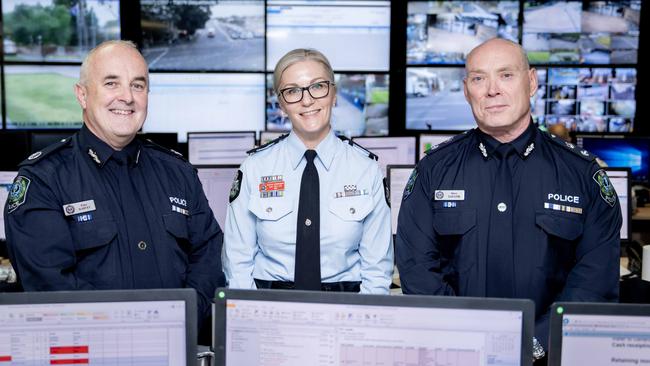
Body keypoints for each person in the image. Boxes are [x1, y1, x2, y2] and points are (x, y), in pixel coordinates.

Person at [395, 38, 621, 361]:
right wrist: (465, 340)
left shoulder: (582, 175)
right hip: (457, 356)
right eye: (478, 78)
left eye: (506, 75)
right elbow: (417, 270)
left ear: (531, 82)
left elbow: (594, 282)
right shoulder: (433, 172)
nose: (492, 90)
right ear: (465, 90)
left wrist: (534, 345)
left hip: (551, 356)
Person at [4, 40, 224, 331]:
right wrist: (133, 331)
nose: (127, 97)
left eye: (138, 85)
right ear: (82, 95)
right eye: (111, 83)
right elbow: (50, 284)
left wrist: (181, 321)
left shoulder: (178, 172)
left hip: (178, 345)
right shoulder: (44, 179)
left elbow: (208, 256)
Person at [223, 48, 393, 293]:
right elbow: (237, 263)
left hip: (345, 311)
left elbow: (377, 272)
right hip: (269, 309)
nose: (307, 100)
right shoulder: (255, 168)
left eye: (318, 86)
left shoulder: (366, 170)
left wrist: (360, 324)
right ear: (281, 104)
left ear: (333, 94)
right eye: (292, 91)